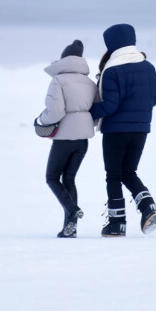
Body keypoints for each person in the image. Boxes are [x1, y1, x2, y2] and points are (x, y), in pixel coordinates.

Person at [90, 24, 156, 237]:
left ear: (111, 44)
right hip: (141, 128)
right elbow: (155, 98)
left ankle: (116, 223)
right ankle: (148, 206)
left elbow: (110, 106)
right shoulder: (148, 66)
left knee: (113, 175)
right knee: (129, 172)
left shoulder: (112, 69)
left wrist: (89, 112)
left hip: (116, 130)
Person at [36, 39, 97, 238]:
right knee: (69, 178)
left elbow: (55, 112)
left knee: (52, 177)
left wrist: (40, 122)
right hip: (83, 140)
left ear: (64, 60)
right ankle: (70, 228)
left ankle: (72, 210)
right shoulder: (89, 82)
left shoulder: (58, 81)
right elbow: (95, 112)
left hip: (64, 139)